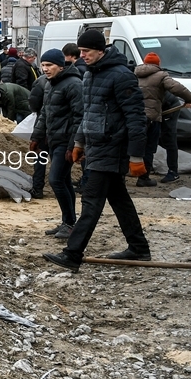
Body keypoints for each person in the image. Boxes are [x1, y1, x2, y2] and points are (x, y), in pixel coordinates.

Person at [43, 29, 151, 272]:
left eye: (86, 51)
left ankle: (72, 254)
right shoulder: (90, 74)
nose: (82, 55)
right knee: (119, 199)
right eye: (80, 51)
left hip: (113, 147)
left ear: (101, 51)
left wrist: (136, 156)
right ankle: (139, 247)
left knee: (91, 201)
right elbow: (88, 114)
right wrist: (79, 143)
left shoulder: (121, 76)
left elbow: (136, 117)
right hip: (97, 146)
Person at [30, 48, 83, 239]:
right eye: (43, 65)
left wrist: (74, 145)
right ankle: (68, 222)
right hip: (53, 139)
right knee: (64, 180)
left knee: (56, 180)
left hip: (65, 141)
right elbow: (44, 113)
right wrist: (36, 137)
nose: (45, 69)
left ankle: (69, 223)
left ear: (61, 66)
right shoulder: (50, 84)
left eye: (49, 65)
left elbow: (80, 117)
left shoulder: (74, 84)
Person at [135, 52, 191, 185]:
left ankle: (171, 172)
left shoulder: (136, 74)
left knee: (162, 140)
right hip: (153, 114)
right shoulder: (161, 75)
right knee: (153, 144)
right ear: (158, 64)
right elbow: (178, 88)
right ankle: (150, 175)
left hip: (168, 109)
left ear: (144, 63)